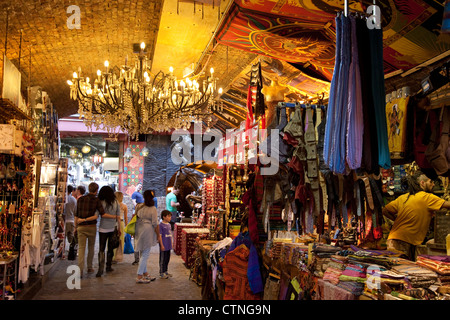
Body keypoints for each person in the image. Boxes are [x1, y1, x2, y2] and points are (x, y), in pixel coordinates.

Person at [382, 171, 450, 260]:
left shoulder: (404, 197)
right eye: (430, 182)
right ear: (422, 183)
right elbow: (448, 204)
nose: (433, 184)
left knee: (400, 270)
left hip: (395, 240)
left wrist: (396, 219)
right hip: (402, 242)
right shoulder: (427, 197)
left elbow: (385, 210)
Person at [75, 182, 107, 276]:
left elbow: (76, 213)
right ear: (96, 190)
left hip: (81, 226)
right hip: (91, 227)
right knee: (91, 247)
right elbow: (102, 212)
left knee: (81, 248)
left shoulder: (80, 199)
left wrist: (76, 226)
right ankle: (89, 267)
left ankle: (80, 271)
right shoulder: (96, 200)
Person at [134, 190, 159, 283]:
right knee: (145, 254)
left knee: (142, 252)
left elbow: (135, 217)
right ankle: (139, 276)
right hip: (147, 230)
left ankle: (145, 273)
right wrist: (158, 235)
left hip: (139, 229)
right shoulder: (153, 208)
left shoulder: (139, 206)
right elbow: (155, 223)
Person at [96, 186, 121, 277]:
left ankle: (100, 268)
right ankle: (108, 266)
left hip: (102, 228)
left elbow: (98, 215)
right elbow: (118, 216)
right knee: (110, 249)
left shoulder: (100, 202)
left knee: (101, 249)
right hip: (113, 228)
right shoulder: (116, 202)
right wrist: (119, 229)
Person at [113, 191, 128, 263]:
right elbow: (126, 217)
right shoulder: (124, 206)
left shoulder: (113, 205)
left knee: (112, 239)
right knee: (120, 239)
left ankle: (112, 256)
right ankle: (118, 256)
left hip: (113, 223)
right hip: (121, 222)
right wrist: (127, 226)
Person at [131, 183, 144, 265]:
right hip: (137, 212)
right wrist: (138, 208)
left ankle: (140, 258)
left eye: (141, 186)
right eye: (139, 186)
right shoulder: (134, 194)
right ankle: (137, 259)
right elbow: (134, 202)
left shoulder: (140, 194)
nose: (140, 187)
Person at [158, 210, 173, 279]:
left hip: (168, 245)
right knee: (162, 259)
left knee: (167, 259)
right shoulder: (160, 225)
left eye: (170, 216)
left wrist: (172, 243)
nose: (170, 218)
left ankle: (165, 271)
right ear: (164, 217)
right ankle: (161, 272)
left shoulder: (169, 225)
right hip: (164, 245)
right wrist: (161, 245)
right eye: (168, 216)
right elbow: (160, 236)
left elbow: (170, 235)